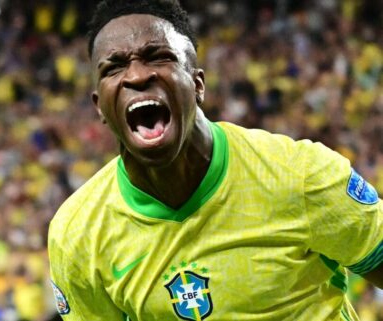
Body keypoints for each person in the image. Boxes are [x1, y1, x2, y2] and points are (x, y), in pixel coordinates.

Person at [47, 0, 383, 320]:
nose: (136, 76)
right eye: (114, 67)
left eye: (158, 57)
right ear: (99, 106)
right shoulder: (77, 236)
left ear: (197, 84)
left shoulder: (302, 174)